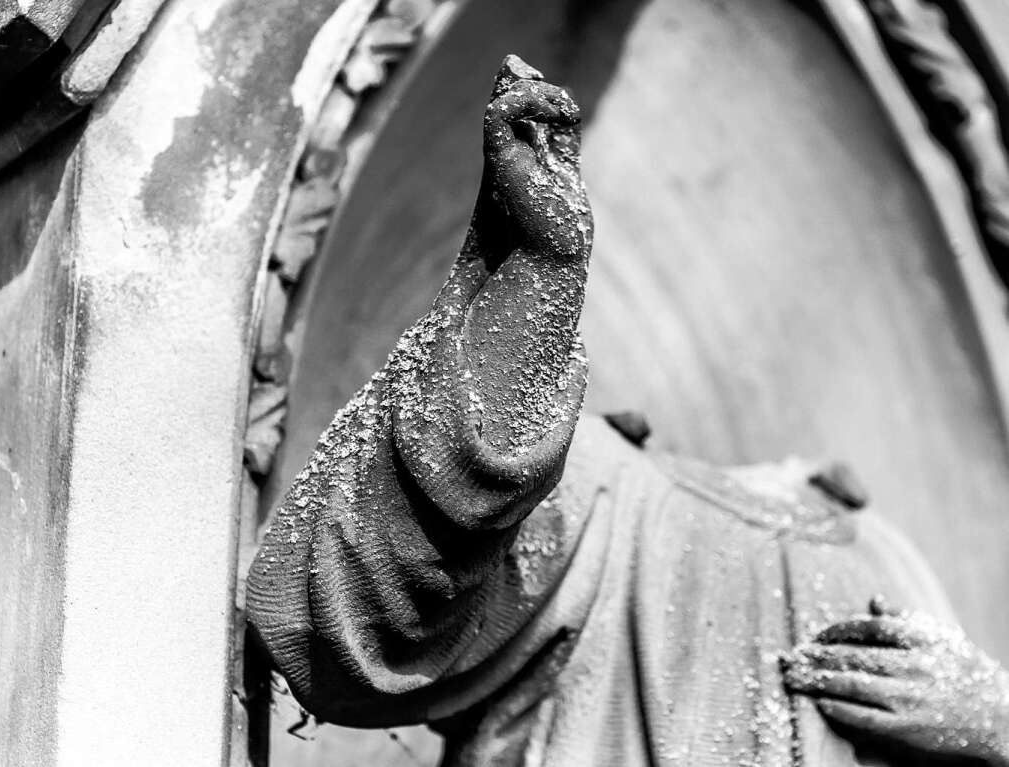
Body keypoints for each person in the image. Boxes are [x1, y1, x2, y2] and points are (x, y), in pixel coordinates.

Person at [246, 55, 1009, 766]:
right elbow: (344, 613)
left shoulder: (880, 550)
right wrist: (535, 285)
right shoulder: (602, 488)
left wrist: (994, 725)